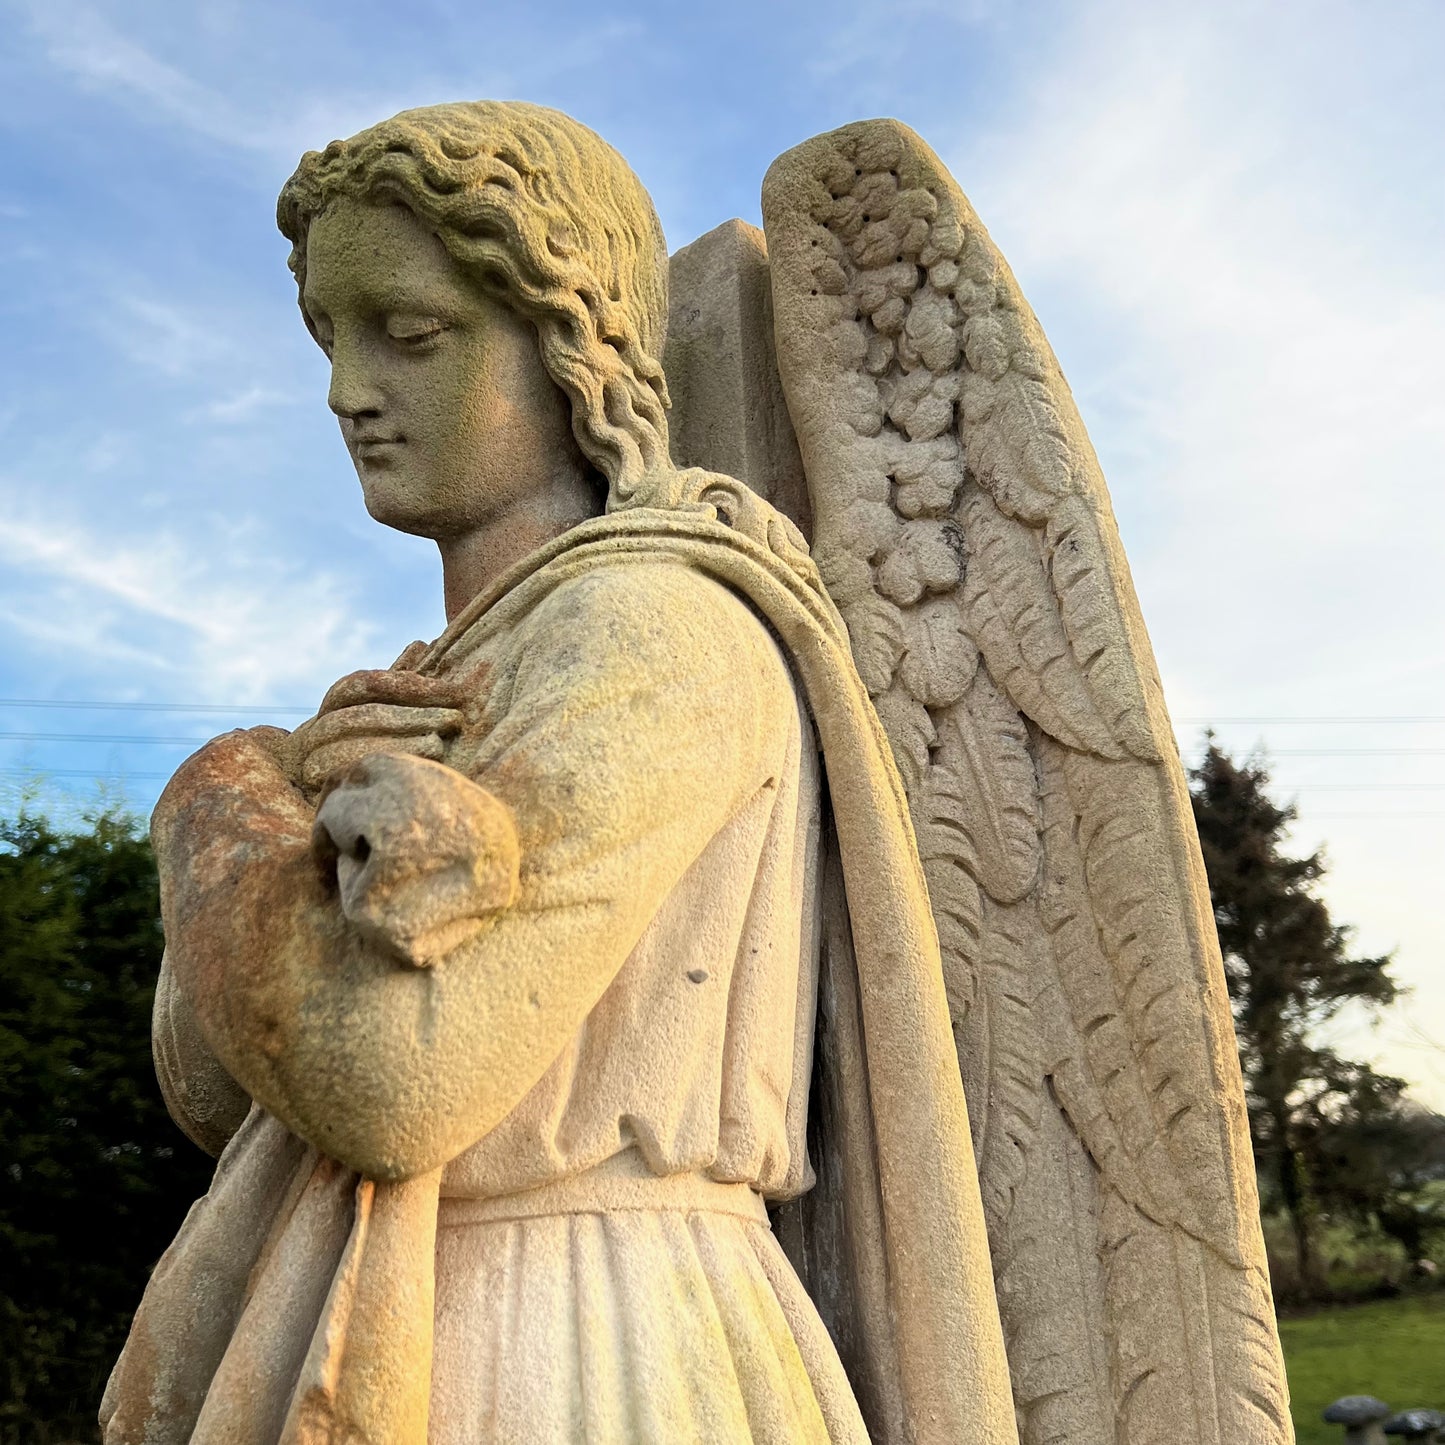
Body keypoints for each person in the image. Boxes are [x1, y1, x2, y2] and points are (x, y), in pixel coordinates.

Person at [103, 101, 1014, 1445]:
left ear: (576, 347)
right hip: (449, 1315)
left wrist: (217, 793)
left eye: (410, 335)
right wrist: (291, 815)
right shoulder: (433, 679)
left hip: (597, 1345)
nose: (349, 390)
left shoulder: (654, 623)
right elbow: (215, 1084)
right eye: (331, 339)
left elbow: (385, 1081)